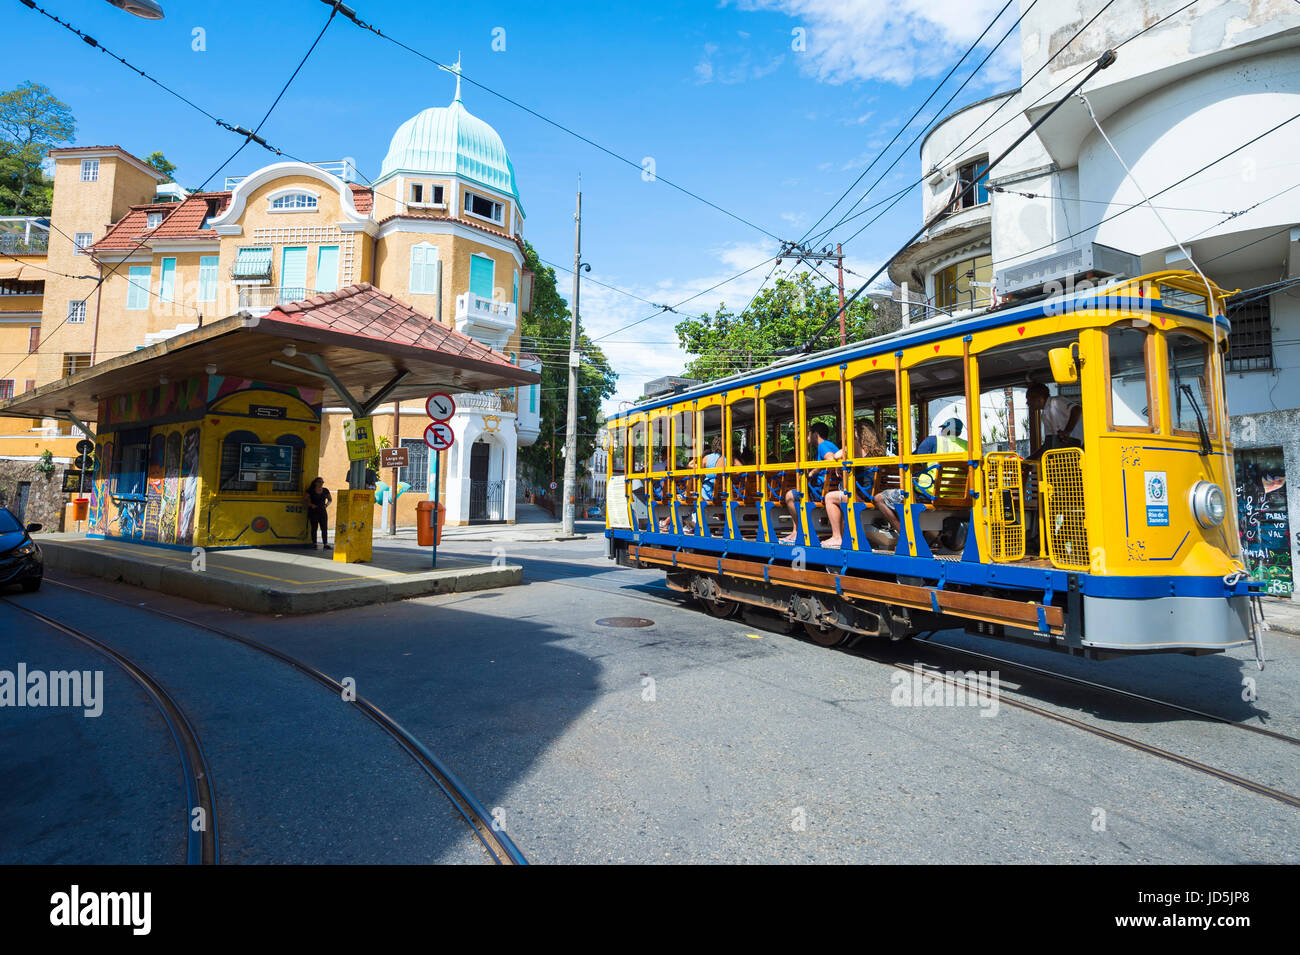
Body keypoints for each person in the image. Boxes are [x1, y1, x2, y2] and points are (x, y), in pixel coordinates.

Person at [822, 421, 884, 548]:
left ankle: (837, 537)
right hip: (873, 492)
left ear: (859, 432)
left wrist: (841, 461)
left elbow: (836, 456)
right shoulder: (878, 448)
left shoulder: (856, 445)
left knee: (829, 497)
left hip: (861, 495)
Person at [780, 421, 838, 544]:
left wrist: (812, 473)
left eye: (809, 434)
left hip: (820, 490)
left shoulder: (823, 446)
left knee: (790, 495)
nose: (807, 438)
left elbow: (831, 459)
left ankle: (797, 532)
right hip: (830, 488)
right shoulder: (831, 444)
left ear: (815, 434)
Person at [1026, 382, 1082, 458]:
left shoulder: (1056, 401)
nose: (1027, 403)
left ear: (1039, 398)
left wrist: (1067, 431)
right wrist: (1029, 459)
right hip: (1066, 454)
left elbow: (1077, 409)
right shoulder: (1045, 414)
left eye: (1029, 399)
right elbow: (1048, 443)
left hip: (1079, 448)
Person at [304, 477, 332, 550]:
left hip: (322, 511)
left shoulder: (325, 490)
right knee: (314, 528)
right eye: (319, 482)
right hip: (314, 511)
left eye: (322, 482)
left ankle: (325, 544)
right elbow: (305, 499)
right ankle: (315, 543)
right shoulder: (310, 490)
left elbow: (330, 499)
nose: (321, 483)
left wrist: (326, 505)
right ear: (315, 483)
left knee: (324, 528)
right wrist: (310, 505)